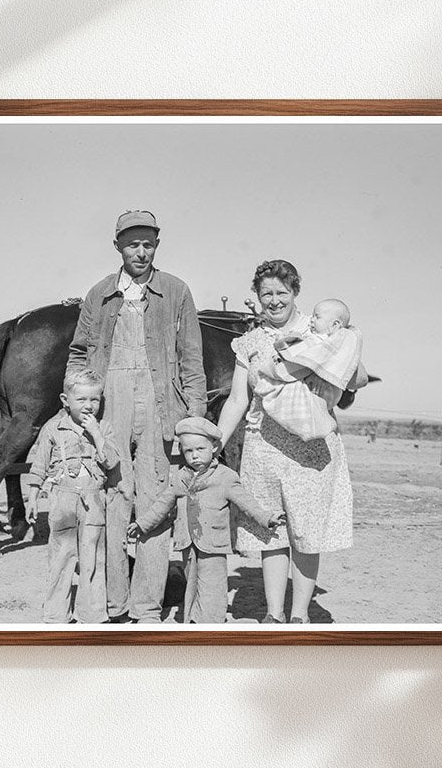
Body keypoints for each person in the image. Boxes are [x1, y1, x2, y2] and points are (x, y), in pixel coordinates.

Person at [66, 210, 207, 623]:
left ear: (157, 246)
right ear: (118, 247)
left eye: (148, 244)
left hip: (161, 404)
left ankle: (147, 607)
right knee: (113, 499)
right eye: (132, 244)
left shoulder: (176, 291)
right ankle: (114, 604)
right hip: (110, 406)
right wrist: (78, 408)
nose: (140, 252)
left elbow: (191, 360)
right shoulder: (99, 294)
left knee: (156, 502)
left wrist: (194, 419)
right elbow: (78, 352)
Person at [216, 260, 355, 624]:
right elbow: (237, 399)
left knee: (306, 533)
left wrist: (345, 351)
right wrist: (217, 442)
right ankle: (274, 614)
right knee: (271, 532)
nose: (274, 301)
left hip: (310, 450)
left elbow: (356, 378)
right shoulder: (249, 342)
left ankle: (299, 615)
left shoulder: (321, 330)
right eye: (266, 294)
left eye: (281, 293)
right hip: (263, 447)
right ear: (257, 297)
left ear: (295, 292)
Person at [127, 417, 285, 624]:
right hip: (187, 541)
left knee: (213, 583)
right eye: (188, 451)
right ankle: (193, 619)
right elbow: (162, 504)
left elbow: (246, 502)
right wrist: (142, 524)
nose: (194, 456)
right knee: (191, 581)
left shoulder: (225, 477)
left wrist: (267, 517)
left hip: (214, 541)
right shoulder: (180, 478)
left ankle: (212, 622)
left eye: (200, 449)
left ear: (214, 447)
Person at [25, 369, 119, 624]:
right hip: (61, 500)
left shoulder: (105, 428)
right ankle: (56, 615)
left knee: (93, 559)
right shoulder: (53, 428)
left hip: (93, 502)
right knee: (60, 558)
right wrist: (33, 497)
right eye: (82, 400)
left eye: (95, 400)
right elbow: (40, 465)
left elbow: (112, 463)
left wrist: (97, 434)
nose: (89, 406)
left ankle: (92, 614)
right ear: (65, 401)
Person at [255, 298, 364, 442]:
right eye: (312, 316)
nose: (311, 320)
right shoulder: (312, 337)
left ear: (334, 325)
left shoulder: (334, 344)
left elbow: (331, 361)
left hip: (325, 391)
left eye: (317, 317)